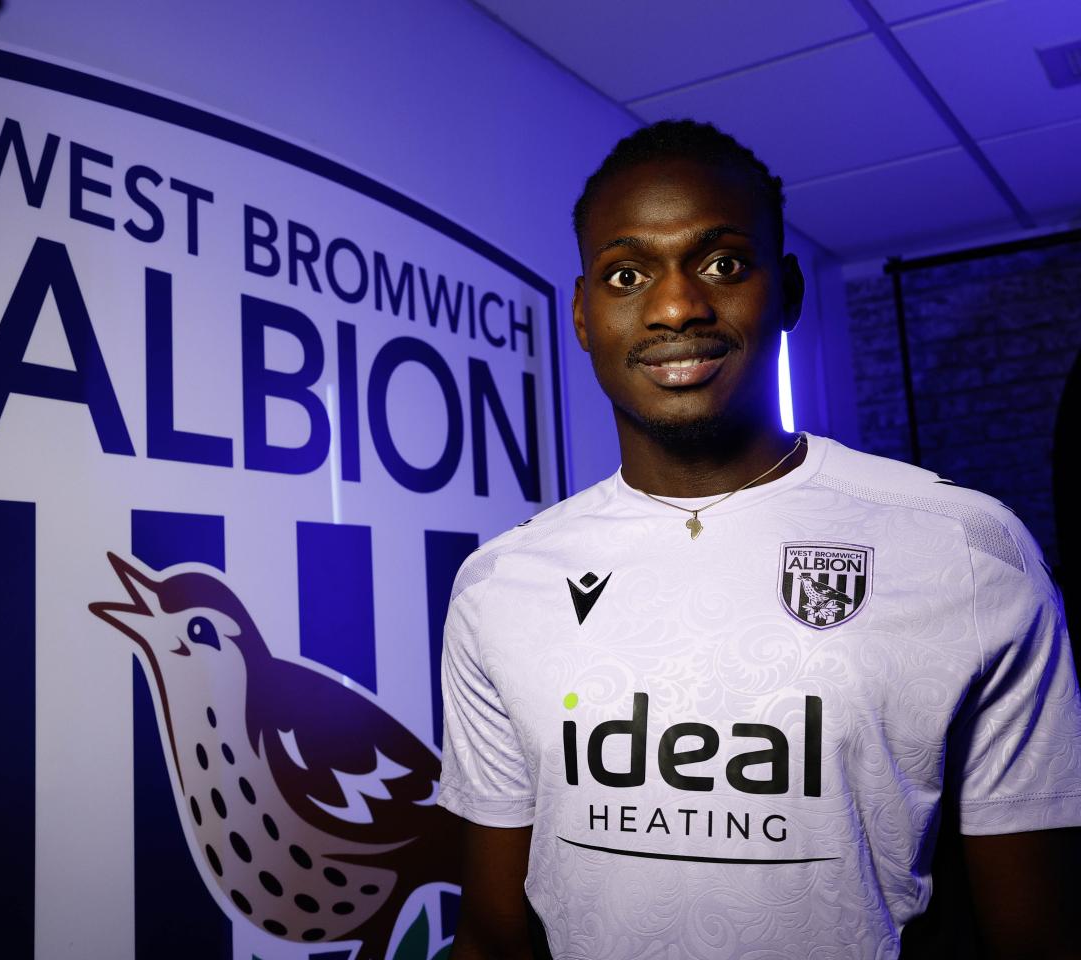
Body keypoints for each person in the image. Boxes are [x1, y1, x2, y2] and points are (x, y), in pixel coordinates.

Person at [437, 119, 1081, 960]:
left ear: (787, 290)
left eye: (721, 265)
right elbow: (490, 938)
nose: (676, 306)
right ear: (585, 316)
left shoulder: (967, 548)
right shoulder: (499, 584)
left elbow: (1039, 940)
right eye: (627, 274)